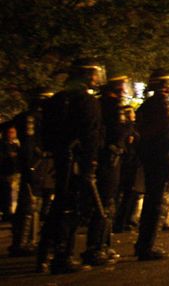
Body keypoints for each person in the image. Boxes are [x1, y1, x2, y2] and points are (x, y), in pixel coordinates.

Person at [36, 58, 105, 274]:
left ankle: (43, 254)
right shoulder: (86, 101)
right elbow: (90, 136)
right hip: (77, 162)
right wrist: (90, 164)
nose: (96, 78)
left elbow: (46, 133)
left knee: (58, 206)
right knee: (71, 208)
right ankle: (64, 256)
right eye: (94, 74)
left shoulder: (57, 99)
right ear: (86, 75)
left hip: (59, 159)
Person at [82, 71, 131, 266]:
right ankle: (96, 247)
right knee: (104, 203)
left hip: (108, 158)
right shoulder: (111, 106)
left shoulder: (102, 103)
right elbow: (116, 131)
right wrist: (128, 126)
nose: (124, 89)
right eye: (121, 85)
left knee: (107, 203)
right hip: (108, 160)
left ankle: (103, 244)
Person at [134, 70, 169, 261]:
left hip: (148, 156)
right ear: (164, 84)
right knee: (156, 203)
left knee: (150, 200)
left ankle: (142, 243)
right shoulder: (164, 104)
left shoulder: (146, 105)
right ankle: (147, 246)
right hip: (160, 157)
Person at [8, 88, 52, 257]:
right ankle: (21, 242)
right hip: (34, 164)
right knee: (28, 204)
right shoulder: (31, 118)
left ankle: (29, 240)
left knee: (34, 204)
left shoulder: (36, 118)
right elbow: (29, 144)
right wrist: (31, 164)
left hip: (37, 164)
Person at [0, 125, 17, 222]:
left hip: (11, 173)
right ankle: (6, 212)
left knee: (8, 193)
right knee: (6, 193)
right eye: (10, 132)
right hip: (4, 173)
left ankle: (7, 212)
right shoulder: (2, 145)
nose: (11, 135)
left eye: (13, 132)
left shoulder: (15, 145)